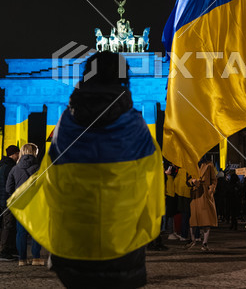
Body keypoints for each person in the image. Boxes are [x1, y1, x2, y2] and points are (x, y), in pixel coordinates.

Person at [7, 51, 165, 288]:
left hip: (74, 238)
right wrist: (147, 227)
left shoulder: (66, 123)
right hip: (121, 238)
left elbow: (51, 176)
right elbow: (152, 182)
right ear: (124, 77)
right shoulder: (136, 124)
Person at [6, 143, 44, 266]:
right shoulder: (40, 168)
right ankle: (36, 258)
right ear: (34, 153)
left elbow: (8, 188)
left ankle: (22, 259)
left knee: (21, 232)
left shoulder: (14, 169)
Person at [186, 154, 218, 251]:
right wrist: (193, 181)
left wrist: (211, 190)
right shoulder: (190, 164)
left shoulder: (209, 164)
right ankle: (193, 240)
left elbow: (214, 180)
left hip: (205, 194)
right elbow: (187, 179)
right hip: (195, 193)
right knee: (193, 219)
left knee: (206, 219)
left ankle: (205, 243)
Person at [0, 145, 20, 261]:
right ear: (14, 154)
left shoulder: (2, 164)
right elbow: (10, 185)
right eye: (17, 154)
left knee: (4, 225)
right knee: (8, 225)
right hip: (7, 200)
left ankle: (7, 248)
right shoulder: (10, 167)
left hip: (1, 199)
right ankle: (4, 250)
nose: (18, 156)